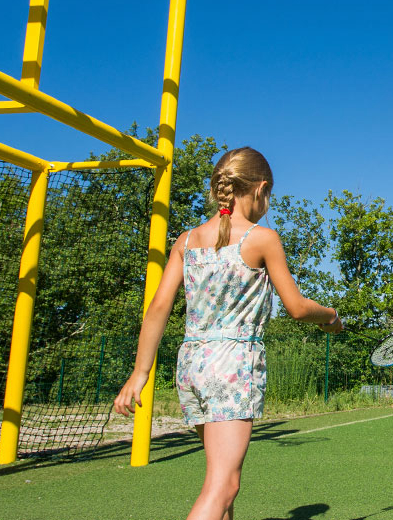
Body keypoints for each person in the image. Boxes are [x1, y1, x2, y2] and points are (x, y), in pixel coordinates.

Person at [113, 147, 344, 520]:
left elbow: (158, 307)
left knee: (222, 481)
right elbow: (298, 308)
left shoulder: (186, 241)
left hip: (191, 365)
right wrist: (331, 316)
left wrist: (139, 374)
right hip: (232, 365)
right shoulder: (262, 238)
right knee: (223, 485)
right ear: (261, 189)